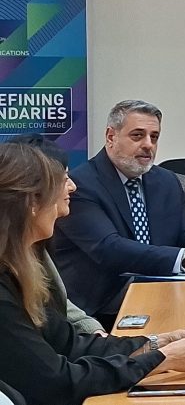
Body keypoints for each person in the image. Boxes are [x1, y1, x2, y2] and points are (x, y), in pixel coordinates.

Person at [0, 143, 185, 405]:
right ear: (32, 203)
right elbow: (58, 382)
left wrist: (156, 343)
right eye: (60, 182)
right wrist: (162, 360)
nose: (72, 188)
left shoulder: (21, 269)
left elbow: (72, 344)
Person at [52, 100, 185, 327]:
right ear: (111, 137)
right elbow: (110, 249)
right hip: (102, 307)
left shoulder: (166, 180)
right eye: (137, 136)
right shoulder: (81, 184)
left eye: (154, 137)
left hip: (164, 291)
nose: (148, 145)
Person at [6, 134, 104, 335]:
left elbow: (58, 308)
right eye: (64, 178)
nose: (73, 187)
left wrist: (95, 332)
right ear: (33, 193)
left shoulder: (35, 240)